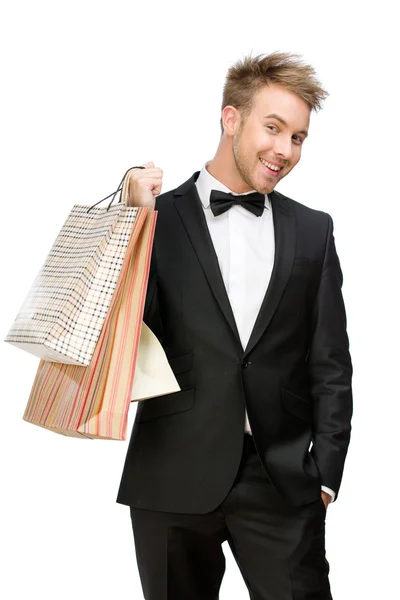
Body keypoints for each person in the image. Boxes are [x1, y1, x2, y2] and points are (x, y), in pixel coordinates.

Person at [116, 51, 353, 600]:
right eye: (274, 128)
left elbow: (330, 362)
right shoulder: (158, 217)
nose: (285, 150)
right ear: (231, 118)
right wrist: (132, 221)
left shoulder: (313, 231)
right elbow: (125, 328)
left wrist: (325, 474)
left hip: (281, 481)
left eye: (298, 137)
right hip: (171, 472)